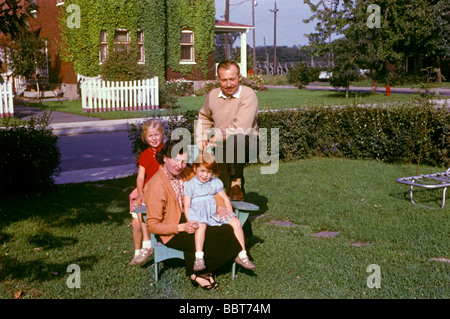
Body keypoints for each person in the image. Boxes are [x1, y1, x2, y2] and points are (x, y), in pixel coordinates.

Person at [144, 139, 245, 290]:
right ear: (165, 158)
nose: (180, 165)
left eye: (184, 161)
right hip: (172, 230)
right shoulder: (155, 186)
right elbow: (152, 225)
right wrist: (181, 227)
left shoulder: (186, 173)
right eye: (176, 160)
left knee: (223, 228)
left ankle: (201, 269)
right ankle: (199, 272)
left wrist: (220, 206)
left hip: (192, 218)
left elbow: (209, 185)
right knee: (217, 234)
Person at [196, 60, 259, 201]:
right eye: (224, 80)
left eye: (232, 79)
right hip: (222, 143)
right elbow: (204, 117)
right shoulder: (213, 95)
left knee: (236, 140)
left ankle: (236, 179)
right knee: (223, 174)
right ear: (218, 79)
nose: (229, 84)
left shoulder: (248, 95)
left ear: (239, 78)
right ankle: (234, 196)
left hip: (247, 142)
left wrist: (216, 137)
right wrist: (201, 139)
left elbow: (241, 127)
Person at [183, 152, 255, 272]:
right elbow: (187, 205)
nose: (205, 175)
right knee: (201, 225)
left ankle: (242, 254)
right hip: (199, 214)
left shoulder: (214, 182)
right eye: (202, 171)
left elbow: (225, 199)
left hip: (213, 213)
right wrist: (189, 219)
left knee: (236, 222)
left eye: (209, 172)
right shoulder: (190, 185)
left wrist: (230, 214)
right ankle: (199, 257)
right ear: (195, 169)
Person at [128, 119, 165, 266]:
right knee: (136, 222)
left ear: (162, 134)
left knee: (142, 214)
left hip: (160, 192)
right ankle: (138, 252)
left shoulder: (166, 151)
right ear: (145, 138)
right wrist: (141, 193)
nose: (154, 138)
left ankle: (148, 243)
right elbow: (141, 176)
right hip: (146, 191)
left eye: (157, 134)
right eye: (150, 136)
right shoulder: (145, 154)